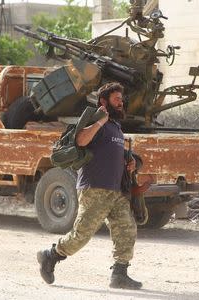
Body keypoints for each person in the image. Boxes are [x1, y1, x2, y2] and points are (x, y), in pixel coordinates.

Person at [36, 82, 142, 290]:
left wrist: (131, 163)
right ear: (104, 102)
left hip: (115, 191)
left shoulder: (117, 127)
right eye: (116, 99)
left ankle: (120, 274)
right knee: (81, 235)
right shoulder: (96, 121)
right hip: (94, 188)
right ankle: (50, 255)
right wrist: (100, 122)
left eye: (122, 99)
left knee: (126, 229)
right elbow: (81, 141)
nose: (121, 102)